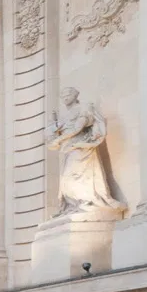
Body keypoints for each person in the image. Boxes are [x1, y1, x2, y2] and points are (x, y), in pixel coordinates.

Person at [44, 88, 126, 223]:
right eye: (62, 96)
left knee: (74, 175)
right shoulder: (65, 115)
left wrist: (58, 139)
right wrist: (53, 125)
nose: (65, 97)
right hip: (67, 149)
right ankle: (73, 205)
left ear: (75, 95)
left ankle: (86, 201)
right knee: (66, 180)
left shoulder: (83, 108)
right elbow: (52, 133)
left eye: (68, 94)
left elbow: (77, 128)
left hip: (79, 147)